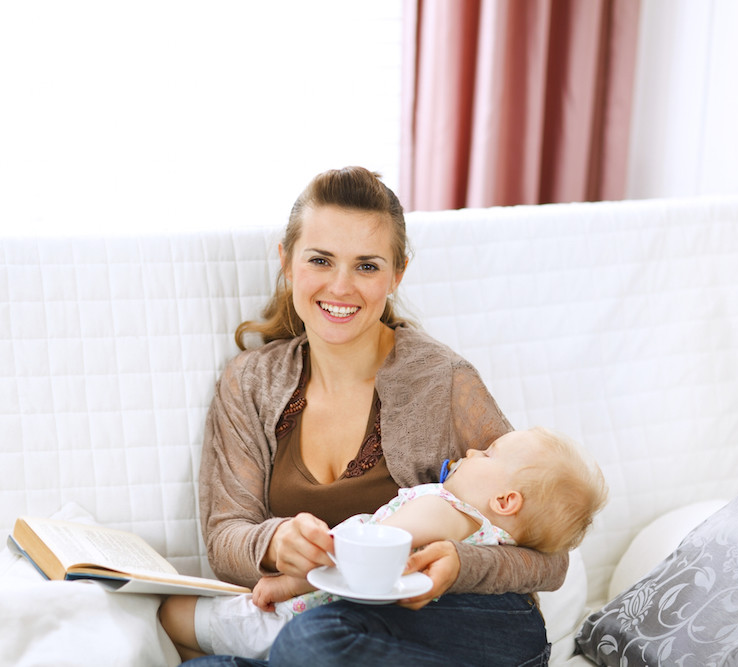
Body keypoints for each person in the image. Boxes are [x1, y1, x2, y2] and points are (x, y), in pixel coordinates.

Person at [177, 166, 572, 666]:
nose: (341, 287)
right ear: (287, 261)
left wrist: (460, 564)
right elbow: (225, 535)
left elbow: (551, 558)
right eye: (320, 260)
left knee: (312, 642)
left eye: (366, 266)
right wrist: (275, 543)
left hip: (465, 622)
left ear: (397, 273)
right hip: (332, 623)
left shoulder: (444, 379)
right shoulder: (250, 382)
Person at [160, 426, 608, 661]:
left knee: (171, 616)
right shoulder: (479, 522)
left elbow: (365, 551)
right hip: (353, 619)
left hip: (310, 607)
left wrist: (288, 582)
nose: (472, 451)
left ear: (506, 500)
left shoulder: (447, 508)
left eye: (487, 454)